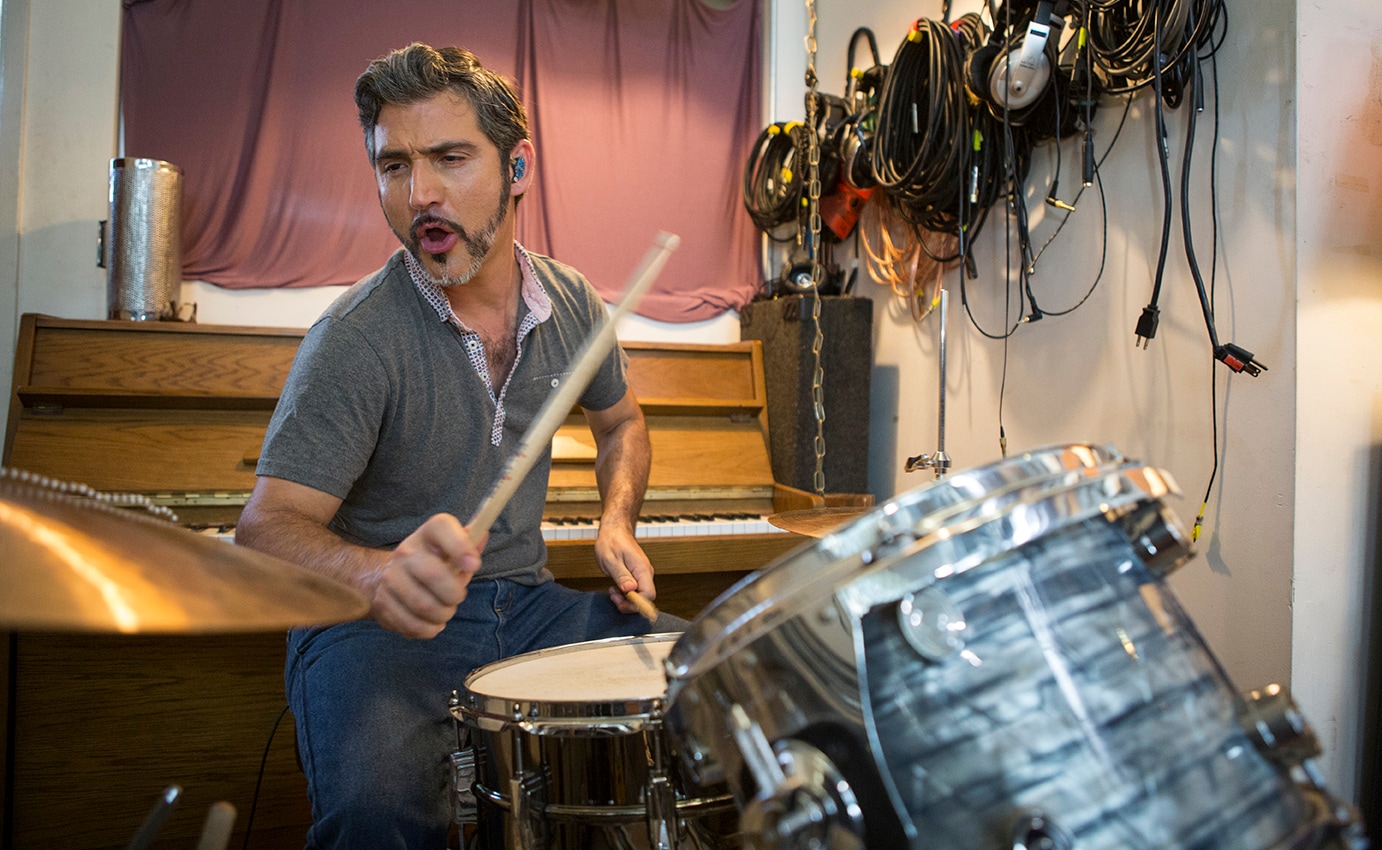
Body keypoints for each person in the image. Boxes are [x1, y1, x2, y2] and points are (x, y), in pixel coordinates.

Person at [235, 42, 685, 849]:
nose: (421, 196)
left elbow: (621, 424)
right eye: (394, 166)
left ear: (518, 167)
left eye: (449, 158)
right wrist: (376, 574)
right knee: (378, 814)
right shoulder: (355, 338)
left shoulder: (573, 302)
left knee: (711, 692)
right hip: (375, 627)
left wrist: (616, 522)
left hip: (532, 601)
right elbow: (265, 529)